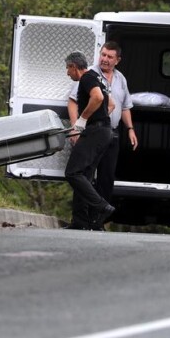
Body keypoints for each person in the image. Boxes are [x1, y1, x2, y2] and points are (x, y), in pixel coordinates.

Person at [66, 41, 138, 206]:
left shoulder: (121, 79)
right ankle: (82, 218)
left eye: (109, 57)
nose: (105, 59)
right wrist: (76, 127)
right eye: (103, 54)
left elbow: (125, 106)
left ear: (117, 60)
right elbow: (72, 102)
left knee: (106, 177)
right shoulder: (89, 74)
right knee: (85, 175)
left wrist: (130, 129)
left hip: (110, 133)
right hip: (91, 132)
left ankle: (98, 220)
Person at [63, 51, 116, 230]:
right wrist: (99, 118)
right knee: (84, 175)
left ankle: (102, 207)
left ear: (74, 66)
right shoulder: (98, 78)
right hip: (104, 131)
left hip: (95, 132)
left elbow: (99, 98)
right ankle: (79, 221)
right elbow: (111, 105)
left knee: (72, 173)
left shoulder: (87, 78)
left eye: (67, 68)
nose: (67, 73)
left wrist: (83, 120)